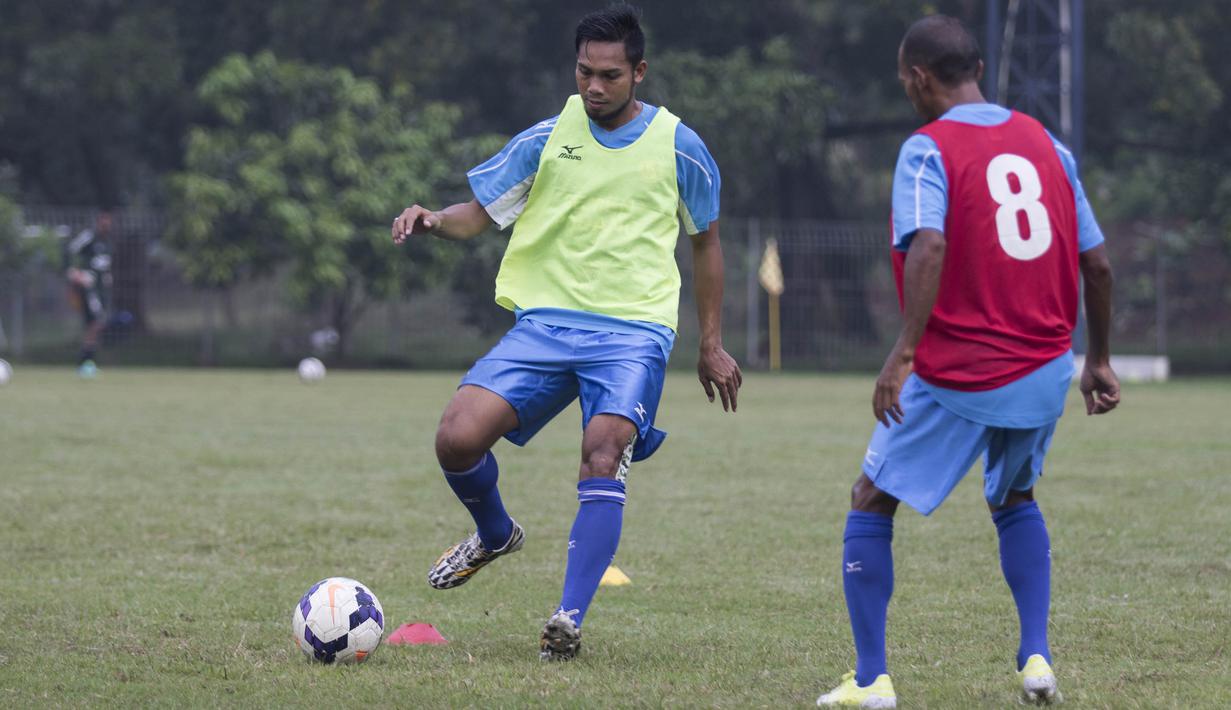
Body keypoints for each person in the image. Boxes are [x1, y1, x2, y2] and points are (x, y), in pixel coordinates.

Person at [391, 3, 741, 660]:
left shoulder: (679, 146)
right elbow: (481, 212)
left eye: (610, 75)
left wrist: (711, 342)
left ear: (638, 72)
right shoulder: (548, 137)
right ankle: (494, 534)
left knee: (603, 450)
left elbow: (707, 243)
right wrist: (432, 218)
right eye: (584, 72)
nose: (594, 87)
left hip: (633, 330)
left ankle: (567, 619)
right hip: (546, 324)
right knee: (455, 438)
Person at [816, 15, 1120, 708]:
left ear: (919, 77)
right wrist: (1096, 359)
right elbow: (1096, 264)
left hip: (962, 373)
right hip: (1045, 368)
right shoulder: (1047, 144)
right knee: (1014, 496)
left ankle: (870, 681)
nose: (905, 93)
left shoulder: (927, 149)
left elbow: (927, 247)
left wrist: (902, 353)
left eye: (903, 82)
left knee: (870, 498)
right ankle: (1036, 658)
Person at [65, 211, 114, 378]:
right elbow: (69, 250)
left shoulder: (107, 242)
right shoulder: (89, 237)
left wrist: (108, 278)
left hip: (102, 289)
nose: (106, 225)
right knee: (96, 322)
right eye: (104, 222)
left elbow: (104, 265)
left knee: (97, 323)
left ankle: (87, 362)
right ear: (98, 221)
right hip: (90, 288)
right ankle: (84, 361)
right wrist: (74, 273)